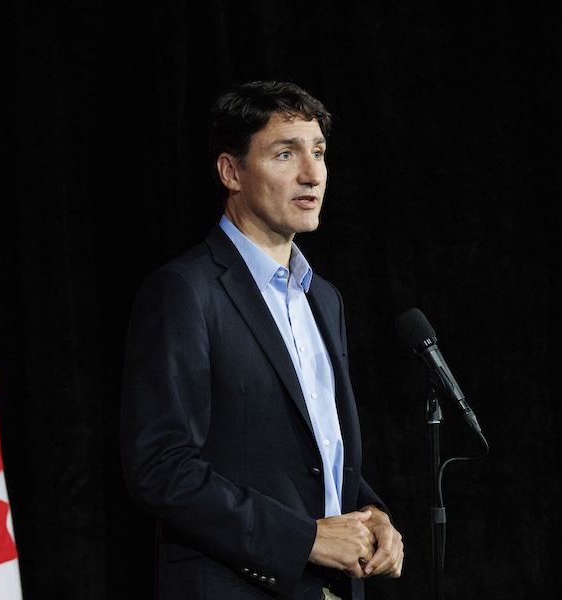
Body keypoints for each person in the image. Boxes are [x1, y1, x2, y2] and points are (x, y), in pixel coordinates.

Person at [120, 81, 404, 600]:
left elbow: (316, 453)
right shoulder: (186, 290)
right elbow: (160, 468)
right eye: (285, 153)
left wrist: (371, 515)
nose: (311, 173)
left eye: (318, 152)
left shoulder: (325, 298)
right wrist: (303, 540)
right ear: (231, 172)